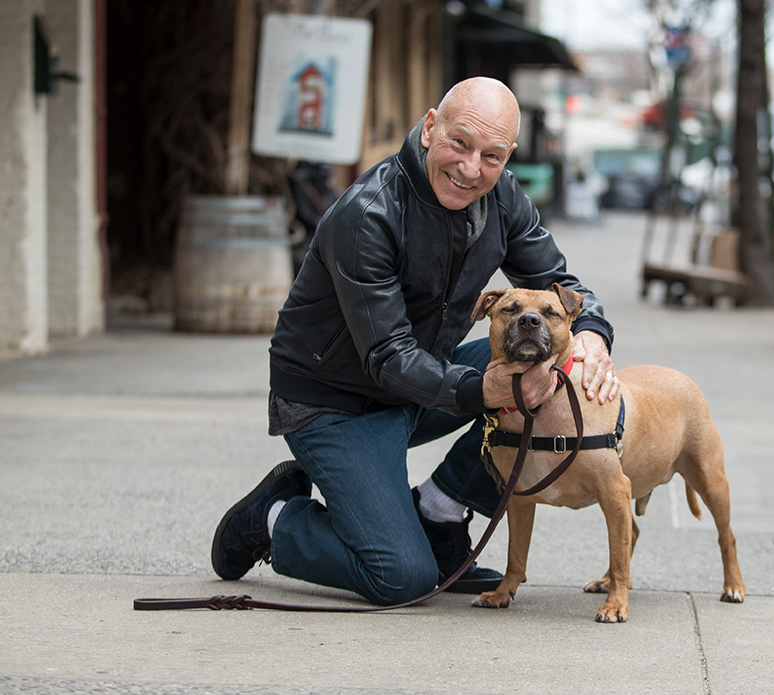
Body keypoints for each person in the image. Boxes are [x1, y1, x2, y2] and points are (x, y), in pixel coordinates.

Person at [211, 77, 620, 606]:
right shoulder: (369, 213)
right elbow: (387, 356)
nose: (472, 168)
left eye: (491, 156)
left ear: (508, 156)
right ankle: (273, 520)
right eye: (460, 143)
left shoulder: (503, 196)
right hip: (332, 402)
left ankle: (439, 511)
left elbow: (563, 283)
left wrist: (592, 335)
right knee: (402, 577)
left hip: (420, 377)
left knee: (549, 375)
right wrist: (484, 391)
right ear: (430, 128)